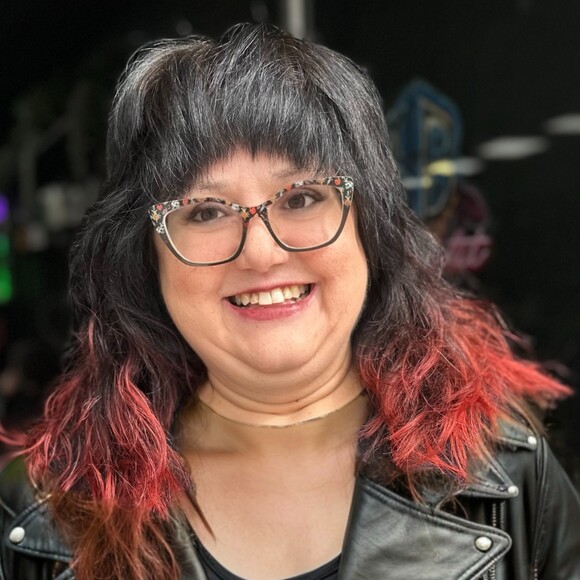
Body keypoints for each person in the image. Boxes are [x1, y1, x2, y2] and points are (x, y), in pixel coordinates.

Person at [1, 23, 579, 580]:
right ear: (147, 258)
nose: (261, 253)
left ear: (371, 227)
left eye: (301, 199)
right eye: (205, 212)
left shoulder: (506, 477)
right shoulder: (48, 511)